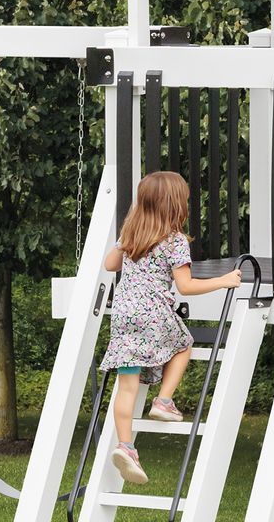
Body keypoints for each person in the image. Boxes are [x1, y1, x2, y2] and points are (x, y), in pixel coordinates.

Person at [98, 170, 241, 485]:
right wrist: (224, 280)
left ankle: (126, 445)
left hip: (123, 318)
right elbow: (186, 287)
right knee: (184, 345)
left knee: (127, 385)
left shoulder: (132, 235)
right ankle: (163, 400)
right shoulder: (175, 241)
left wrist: (126, 237)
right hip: (154, 315)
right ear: (176, 205)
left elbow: (110, 264)